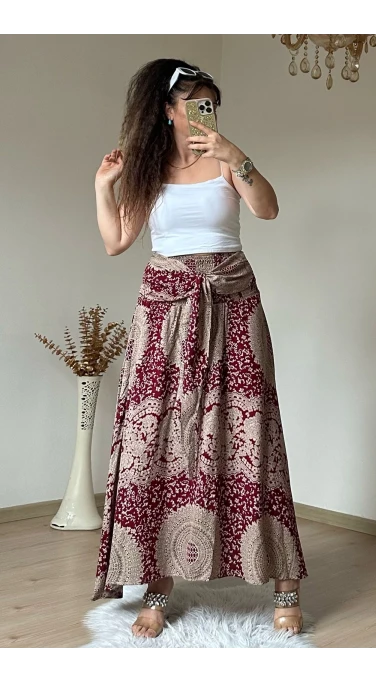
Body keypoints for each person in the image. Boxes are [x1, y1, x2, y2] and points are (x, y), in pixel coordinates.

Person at [93, 58, 307, 639]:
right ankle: (157, 588)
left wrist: (236, 155)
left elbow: (267, 208)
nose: (204, 114)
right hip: (164, 311)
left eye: (211, 104)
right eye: (193, 103)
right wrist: (103, 187)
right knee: (158, 442)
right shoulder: (146, 170)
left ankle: (285, 585)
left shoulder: (228, 160)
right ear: (167, 110)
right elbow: (117, 242)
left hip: (232, 302)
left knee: (252, 431)